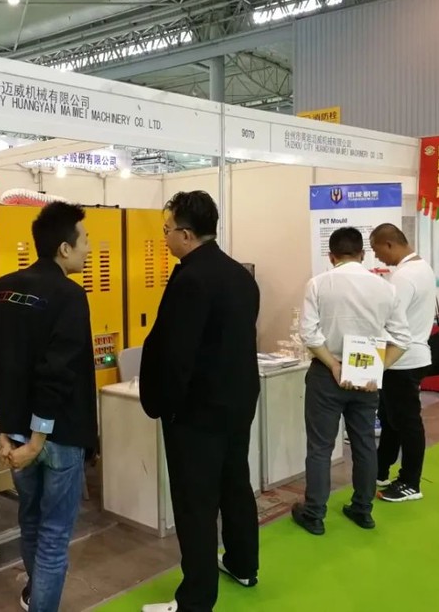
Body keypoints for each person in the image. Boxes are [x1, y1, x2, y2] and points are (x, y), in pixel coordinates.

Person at [0, 201, 96, 612]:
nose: (89, 249)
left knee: (31, 520)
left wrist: (8, 426)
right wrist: (39, 438)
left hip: (17, 434)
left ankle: (33, 594)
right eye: (85, 240)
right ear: (64, 248)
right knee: (55, 535)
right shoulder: (70, 296)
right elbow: (57, 371)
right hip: (57, 435)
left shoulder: (3, 287)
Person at [138, 191, 261, 612]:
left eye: (167, 230)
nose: (165, 238)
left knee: (195, 503)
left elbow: (176, 354)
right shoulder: (240, 275)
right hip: (238, 402)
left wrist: (166, 405)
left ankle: (195, 599)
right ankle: (243, 564)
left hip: (197, 412)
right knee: (235, 484)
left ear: (186, 234)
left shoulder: (190, 279)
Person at [296, 227, 412, 535]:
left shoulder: (318, 284)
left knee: (320, 447)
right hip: (366, 377)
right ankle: (363, 509)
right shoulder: (385, 288)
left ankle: (314, 513)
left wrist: (334, 364)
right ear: (363, 254)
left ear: (331, 256)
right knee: (364, 444)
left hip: (326, 373)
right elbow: (403, 338)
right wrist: (376, 368)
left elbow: (309, 334)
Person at [370, 223, 436, 502]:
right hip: (406, 357)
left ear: (389, 244)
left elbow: (389, 320)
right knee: (391, 418)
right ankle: (380, 469)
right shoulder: (422, 268)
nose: (377, 257)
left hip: (402, 360)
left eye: (377, 250)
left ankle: (410, 481)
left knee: (406, 422)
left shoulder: (404, 277)